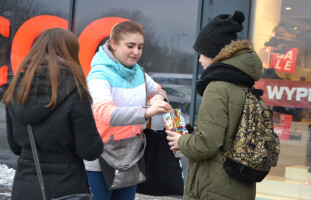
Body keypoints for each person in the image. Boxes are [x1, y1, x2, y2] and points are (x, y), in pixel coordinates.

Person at [166, 11, 263, 200]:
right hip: (239, 185)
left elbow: (206, 145)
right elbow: (227, 135)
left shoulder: (217, 87)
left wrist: (181, 141)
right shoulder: (244, 83)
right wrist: (193, 134)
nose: (200, 60)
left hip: (214, 187)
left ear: (215, 54)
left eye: (202, 54)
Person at [3, 28, 104, 199]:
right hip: (66, 189)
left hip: (24, 188)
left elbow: (15, 147)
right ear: (71, 53)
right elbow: (90, 150)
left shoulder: (15, 90)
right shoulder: (75, 91)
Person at [85, 20, 172, 200]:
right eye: (130, 46)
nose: (136, 52)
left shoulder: (138, 71)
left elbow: (158, 90)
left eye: (140, 47)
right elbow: (104, 113)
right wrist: (147, 111)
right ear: (114, 44)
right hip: (101, 161)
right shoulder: (99, 75)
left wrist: (158, 99)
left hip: (131, 157)